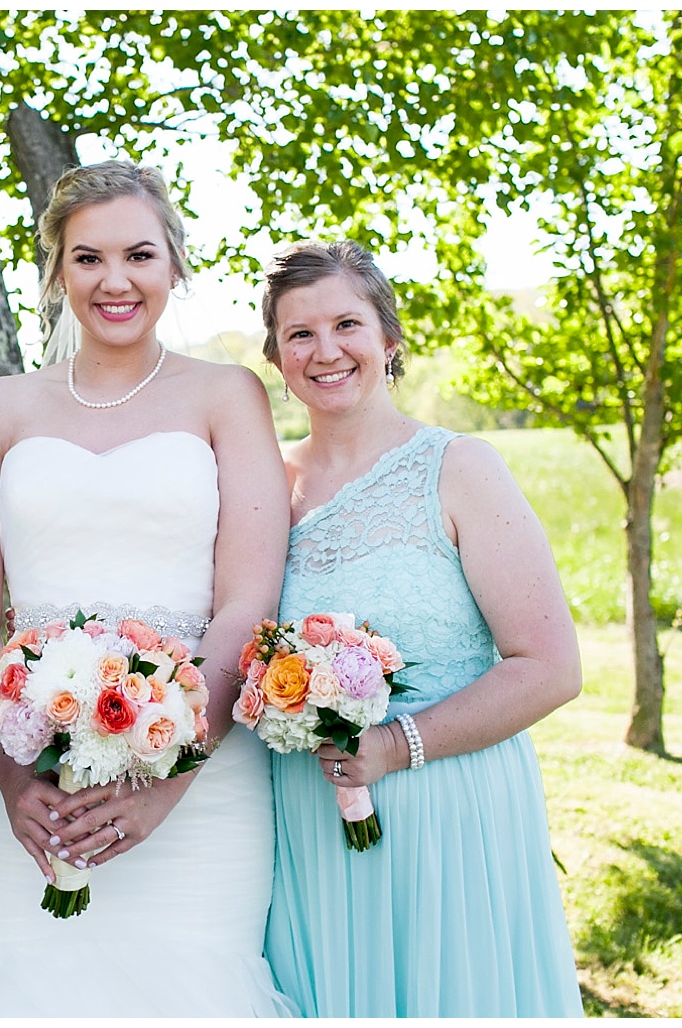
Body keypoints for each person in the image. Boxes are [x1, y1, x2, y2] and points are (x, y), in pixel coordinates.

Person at [0, 160, 296, 1017]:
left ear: (175, 266)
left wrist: (172, 773)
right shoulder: (1, 407)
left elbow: (248, 599)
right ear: (54, 273)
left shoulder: (228, 395)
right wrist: (15, 778)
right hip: (23, 773)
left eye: (139, 256)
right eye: (86, 259)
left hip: (202, 788)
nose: (114, 281)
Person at [259, 241, 584, 1017]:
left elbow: (549, 665)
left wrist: (396, 747)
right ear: (274, 355)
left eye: (347, 324)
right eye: (300, 334)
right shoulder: (261, 482)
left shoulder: (460, 467)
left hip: (450, 808)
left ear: (389, 339)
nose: (326, 350)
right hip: (302, 815)